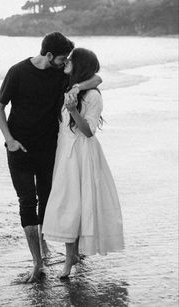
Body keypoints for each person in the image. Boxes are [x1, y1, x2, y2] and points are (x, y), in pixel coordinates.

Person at [0, 32, 102, 282]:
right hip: (19, 148)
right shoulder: (18, 72)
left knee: (47, 200)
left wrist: (77, 85)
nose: (66, 64)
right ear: (49, 55)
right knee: (26, 202)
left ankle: (48, 247)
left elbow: (96, 77)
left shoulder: (60, 75)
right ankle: (37, 263)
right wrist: (9, 140)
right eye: (63, 59)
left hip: (49, 150)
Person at [42, 47, 124, 278]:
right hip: (65, 152)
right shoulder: (70, 86)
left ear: (79, 65)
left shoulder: (94, 96)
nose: (66, 61)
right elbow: (97, 76)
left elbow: (88, 131)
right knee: (66, 205)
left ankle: (69, 260)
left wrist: (72, 109)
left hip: (82, 153)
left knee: (77, 205)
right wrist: (76, 88)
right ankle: (72, 255)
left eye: (71, 59)